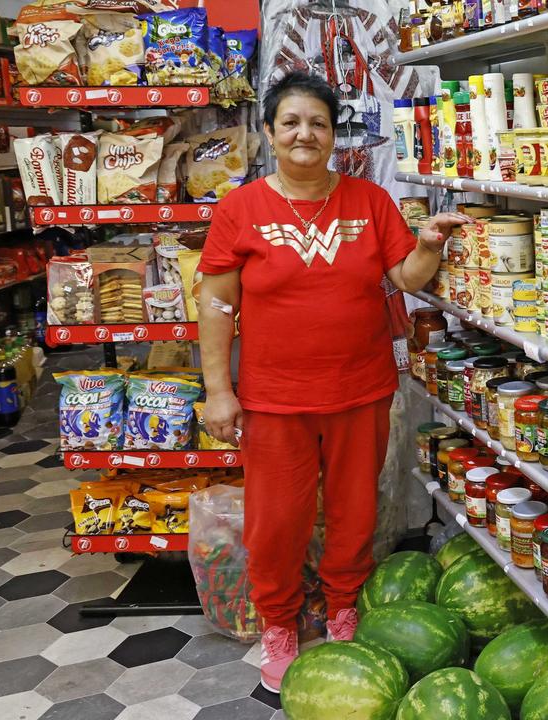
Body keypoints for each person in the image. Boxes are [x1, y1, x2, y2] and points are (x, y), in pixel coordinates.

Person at [197, 71, 470, 693]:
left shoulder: (370, 202)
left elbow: (406, 278)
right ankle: (280, 621)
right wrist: (219, 390)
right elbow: (215, 305)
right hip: (273, 398)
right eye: (290, 122)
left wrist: (428, 242)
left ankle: (343, 604)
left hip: (360, 388)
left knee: (354, 511)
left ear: (334, 135)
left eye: (317, 122)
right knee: (277, 520)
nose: (304, 133)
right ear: (269, 132)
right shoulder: (240, 209)